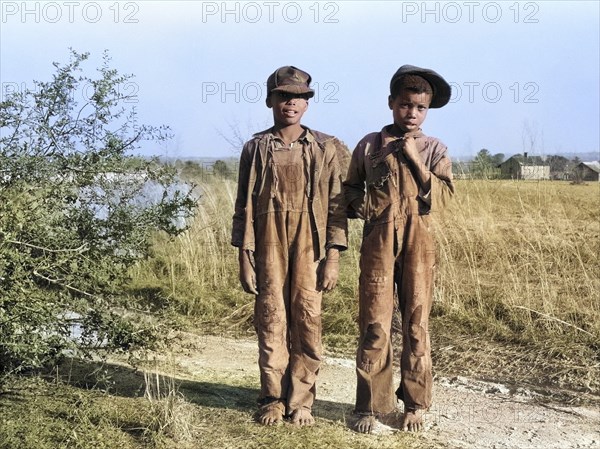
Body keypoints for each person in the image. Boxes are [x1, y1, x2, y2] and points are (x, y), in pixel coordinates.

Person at [231, 66, 349, 427]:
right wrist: (244, 257)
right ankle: (271, 399)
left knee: (308, 321)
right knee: (271, 320)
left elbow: (337, 207)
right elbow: (243, 206)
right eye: (283, 96)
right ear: (270, 100)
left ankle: (301, 402)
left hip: (309, 247)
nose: (291, 103)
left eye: (299, 97)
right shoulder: (255, 148)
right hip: (267, 246)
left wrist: (332, 257)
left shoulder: (327, 148)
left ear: (307, 103)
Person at [343, 64, 454, 433]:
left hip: (419, 242)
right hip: (378, 241)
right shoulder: (369, 145)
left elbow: (442, 198)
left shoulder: (435, 148)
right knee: (375, 323)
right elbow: (351, 189)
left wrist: (415, 158)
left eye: (420, 108)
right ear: (391, 103)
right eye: (406, 105)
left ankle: (415, 404)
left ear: (428, 110)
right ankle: (371, 406)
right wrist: (365, 208)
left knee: (416, 325)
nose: (412, 113)